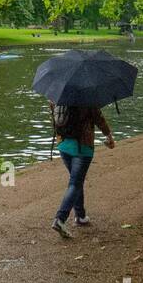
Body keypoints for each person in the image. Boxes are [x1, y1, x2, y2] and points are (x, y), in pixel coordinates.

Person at [49, 101, 115, 238]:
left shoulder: (58, 95)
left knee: (76, 181)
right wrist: (109, 136)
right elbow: (99, 118)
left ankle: (80, 216)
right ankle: (60, 219)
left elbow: (55, 119)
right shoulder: (88, 98)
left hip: (63, 146)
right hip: (82, 147)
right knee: (75, 183)